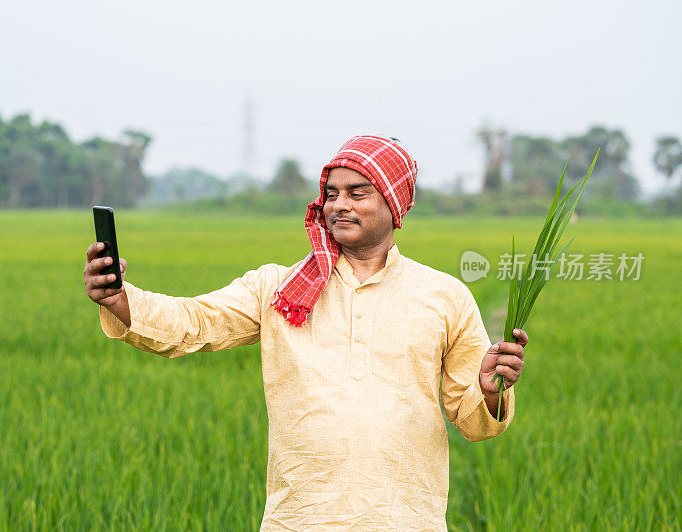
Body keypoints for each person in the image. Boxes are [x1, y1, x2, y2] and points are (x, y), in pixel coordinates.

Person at [84, 135, 527, 531]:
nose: (339, 205)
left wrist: (489, 390)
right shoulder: (278, 288)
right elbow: (194, 323)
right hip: (298, 520)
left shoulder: (444, 296)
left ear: (394, 204)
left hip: (406, 520)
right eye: (331, 194)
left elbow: (474, 423)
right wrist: (120, 299)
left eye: (358, 193)